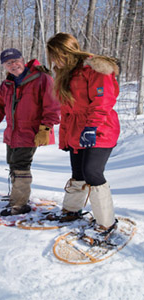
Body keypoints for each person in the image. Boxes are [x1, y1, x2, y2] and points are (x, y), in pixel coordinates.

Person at [0, 48, 60, 216]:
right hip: (12, 133)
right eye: (8, 63)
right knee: (13, 164)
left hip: (31, 133)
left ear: (22, 59)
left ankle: (19, 205)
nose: (13, 65)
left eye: (15, 61)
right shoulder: (7, 84)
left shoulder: (42, 79)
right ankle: (17, 196)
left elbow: (53, 106)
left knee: (21, 167)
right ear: (4, 66)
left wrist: (46, 128)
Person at [46, 33, 120, 231]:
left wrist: (91, 127)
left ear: (68, 51)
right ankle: (72, 210)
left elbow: (103, 101)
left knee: (92, 172)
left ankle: (106, 222)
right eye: (52, 56)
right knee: (78, 173)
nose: (55, 60)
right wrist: (66, 138)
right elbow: (68, 111)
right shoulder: (65, 73)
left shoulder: (95, 68)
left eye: (57, 54)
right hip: (77, 131)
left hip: (101, 128)